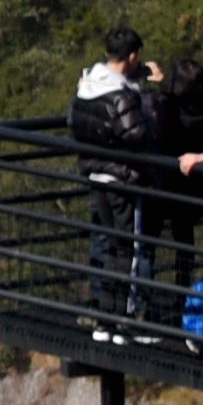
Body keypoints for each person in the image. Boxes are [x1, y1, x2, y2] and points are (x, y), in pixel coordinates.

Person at [73, 30, 181, 325]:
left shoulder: (86, 87)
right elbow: (137, 134)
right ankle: (126, 317)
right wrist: (150, 96)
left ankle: (104, 316)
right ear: (132, 56)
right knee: (128, 250)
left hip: (95, 174)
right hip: (122, 179)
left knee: (106, 247)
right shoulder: (121, 95)